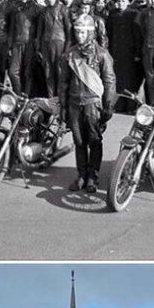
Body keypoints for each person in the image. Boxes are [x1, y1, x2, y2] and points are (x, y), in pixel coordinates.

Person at [59, 12, 116, 193]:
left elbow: (109, 82)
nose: (80, 36)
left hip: (93, 105)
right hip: (74, 103)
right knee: (79, 141)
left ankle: (93, 176)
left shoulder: (102, 55)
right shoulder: (70, 54)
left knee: (94, 140)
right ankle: (81, 175)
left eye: (84, 32)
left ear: (91, 33)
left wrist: (108, 107)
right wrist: (62, 105)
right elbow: (63, 82)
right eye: (78, 32)